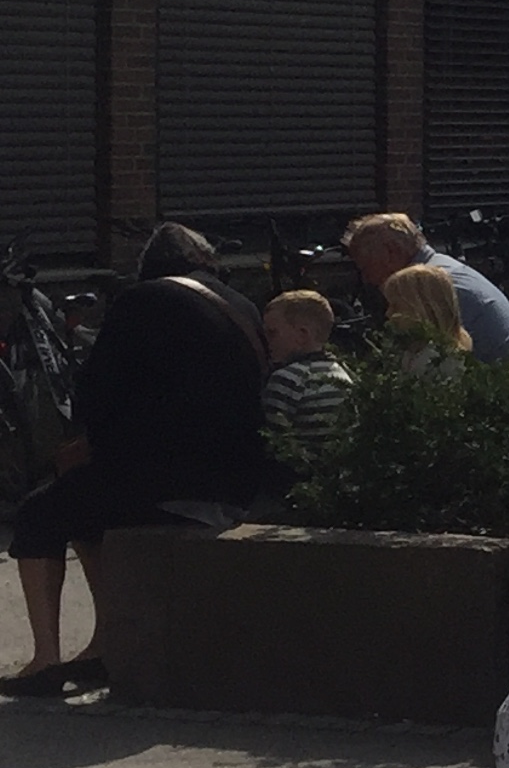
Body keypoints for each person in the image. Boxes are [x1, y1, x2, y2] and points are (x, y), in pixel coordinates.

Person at [5, 224, 269, 700]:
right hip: (237, 480)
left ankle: (45, 660)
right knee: (83, 509)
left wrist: (86, 444)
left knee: (37, 514)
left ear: (148, 267)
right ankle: (105, 642)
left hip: (163, 482)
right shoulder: (241, 306)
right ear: (206, 263)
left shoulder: (142, 301)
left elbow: (97, 395)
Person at [340, 213, 509, 359]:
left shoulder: (430, 288)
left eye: (366, 267)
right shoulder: (443, 269)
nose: (367, 278)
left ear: (391, 252)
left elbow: (432, 366)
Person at [260, 288, 357, 462]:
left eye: (272, 333)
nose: (266, 341)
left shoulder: (287, 378)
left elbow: (273, 443)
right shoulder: (343, 371)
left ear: (302, 335)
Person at [378, 263, 472, 376]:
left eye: (396, 306)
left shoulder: (446, 361)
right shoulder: (409, 351)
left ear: (421, 308)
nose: (388, 313)